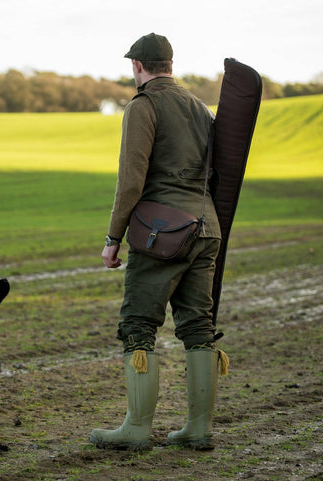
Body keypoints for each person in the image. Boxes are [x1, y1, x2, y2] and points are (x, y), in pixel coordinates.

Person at [90, 33, 228, 451]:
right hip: (208, 228)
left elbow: (131, 180)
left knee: (138, 325)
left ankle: (136, 428)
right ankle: (198, 428)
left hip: (163, 232)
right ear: (170, 62)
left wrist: (114, 238)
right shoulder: (199, 107)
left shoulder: (143, 105)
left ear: (137, 66)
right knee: (198, 327)